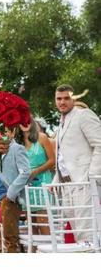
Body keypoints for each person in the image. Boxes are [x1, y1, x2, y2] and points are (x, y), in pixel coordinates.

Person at [53, 84, 101, 241]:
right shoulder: (61, 122)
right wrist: (56, 180)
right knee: (76, 233)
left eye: (66, 98)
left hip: (84, 183)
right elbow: (62, 156)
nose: (62, 102)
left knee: (87, 233)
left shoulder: (83, 115)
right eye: (59, 99)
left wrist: (92, 175)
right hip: (65, 185)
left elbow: (99, 143)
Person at [15, 117, 55, 236]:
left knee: (42, 221)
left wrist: (36, 171)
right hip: (25, 186)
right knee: (31, 224)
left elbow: (52, 160)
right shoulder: (17, 143)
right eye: (21, 121)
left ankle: (49, 249)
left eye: (27, 120)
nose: (25, 123)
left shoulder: (41, 137)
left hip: (42, 183)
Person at [0, 127, 31, 253]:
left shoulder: (17, 148)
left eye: (5, 132)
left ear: (12, 133)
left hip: (14, 197)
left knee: (10, 236)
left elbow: (25, 172)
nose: (2, 135)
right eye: (0, 132)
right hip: (2, 195)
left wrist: (11, 194)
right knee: (7, 234)